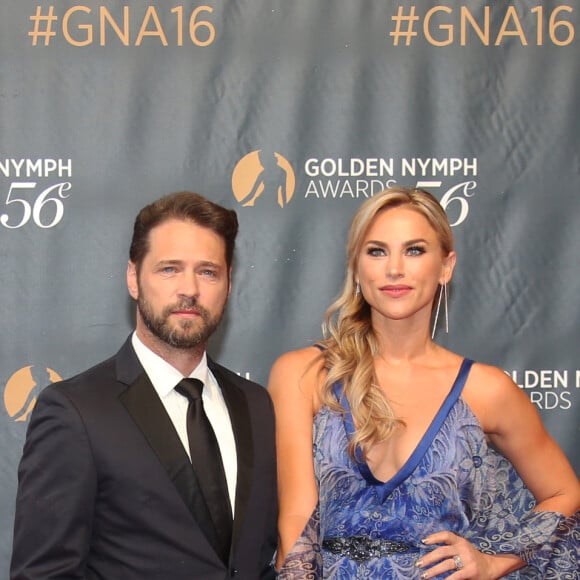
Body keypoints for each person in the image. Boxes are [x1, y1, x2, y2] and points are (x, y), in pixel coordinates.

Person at [268, 187, 580, 579]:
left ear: (446, 266)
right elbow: (297, 517)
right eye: (377, 251)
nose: (394, 269)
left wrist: (494, 562)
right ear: (357, 268)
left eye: (414, 250)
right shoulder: (306, 372)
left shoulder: (485, 389)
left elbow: (564, 493)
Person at [11, 191, 278, 580]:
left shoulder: (256, 404)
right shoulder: (76, 412)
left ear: (229, 284)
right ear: (134, 279)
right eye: (169, 269)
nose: (189, 288)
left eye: (207, 271)